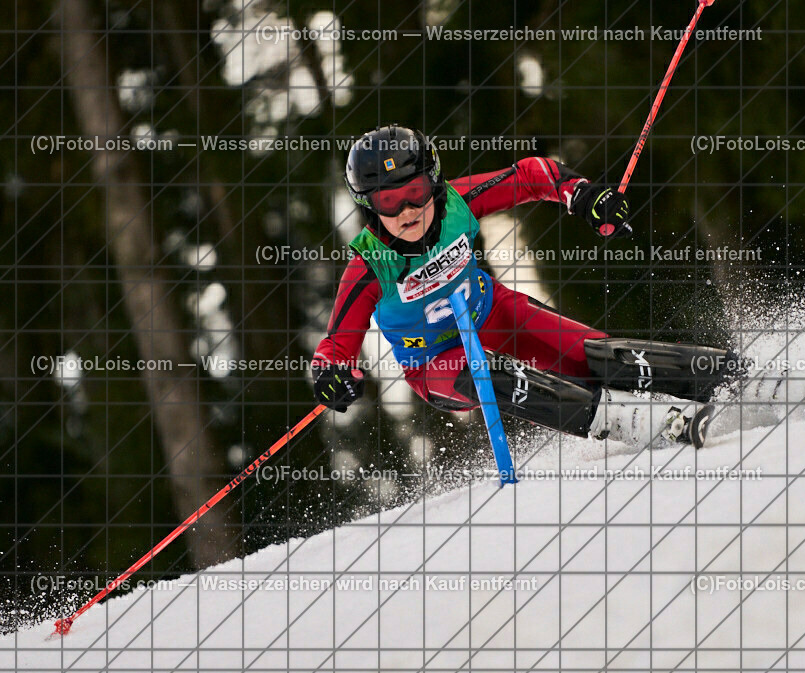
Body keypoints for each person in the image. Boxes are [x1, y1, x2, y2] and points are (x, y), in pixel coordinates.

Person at [311, 125, 733, 450]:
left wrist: (583, 195)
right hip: (436, 362)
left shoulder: (457, 202)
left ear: (433, 183)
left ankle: (730, 377)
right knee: (489, 374)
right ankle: (630, 421)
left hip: (496, 314)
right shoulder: (369, 266)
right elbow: (336, 346)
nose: (407, 211)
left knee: (597, 355)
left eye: (415, 192)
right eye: (388, 201)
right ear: (368, 204)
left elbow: (533, 175)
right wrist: (331, 376)